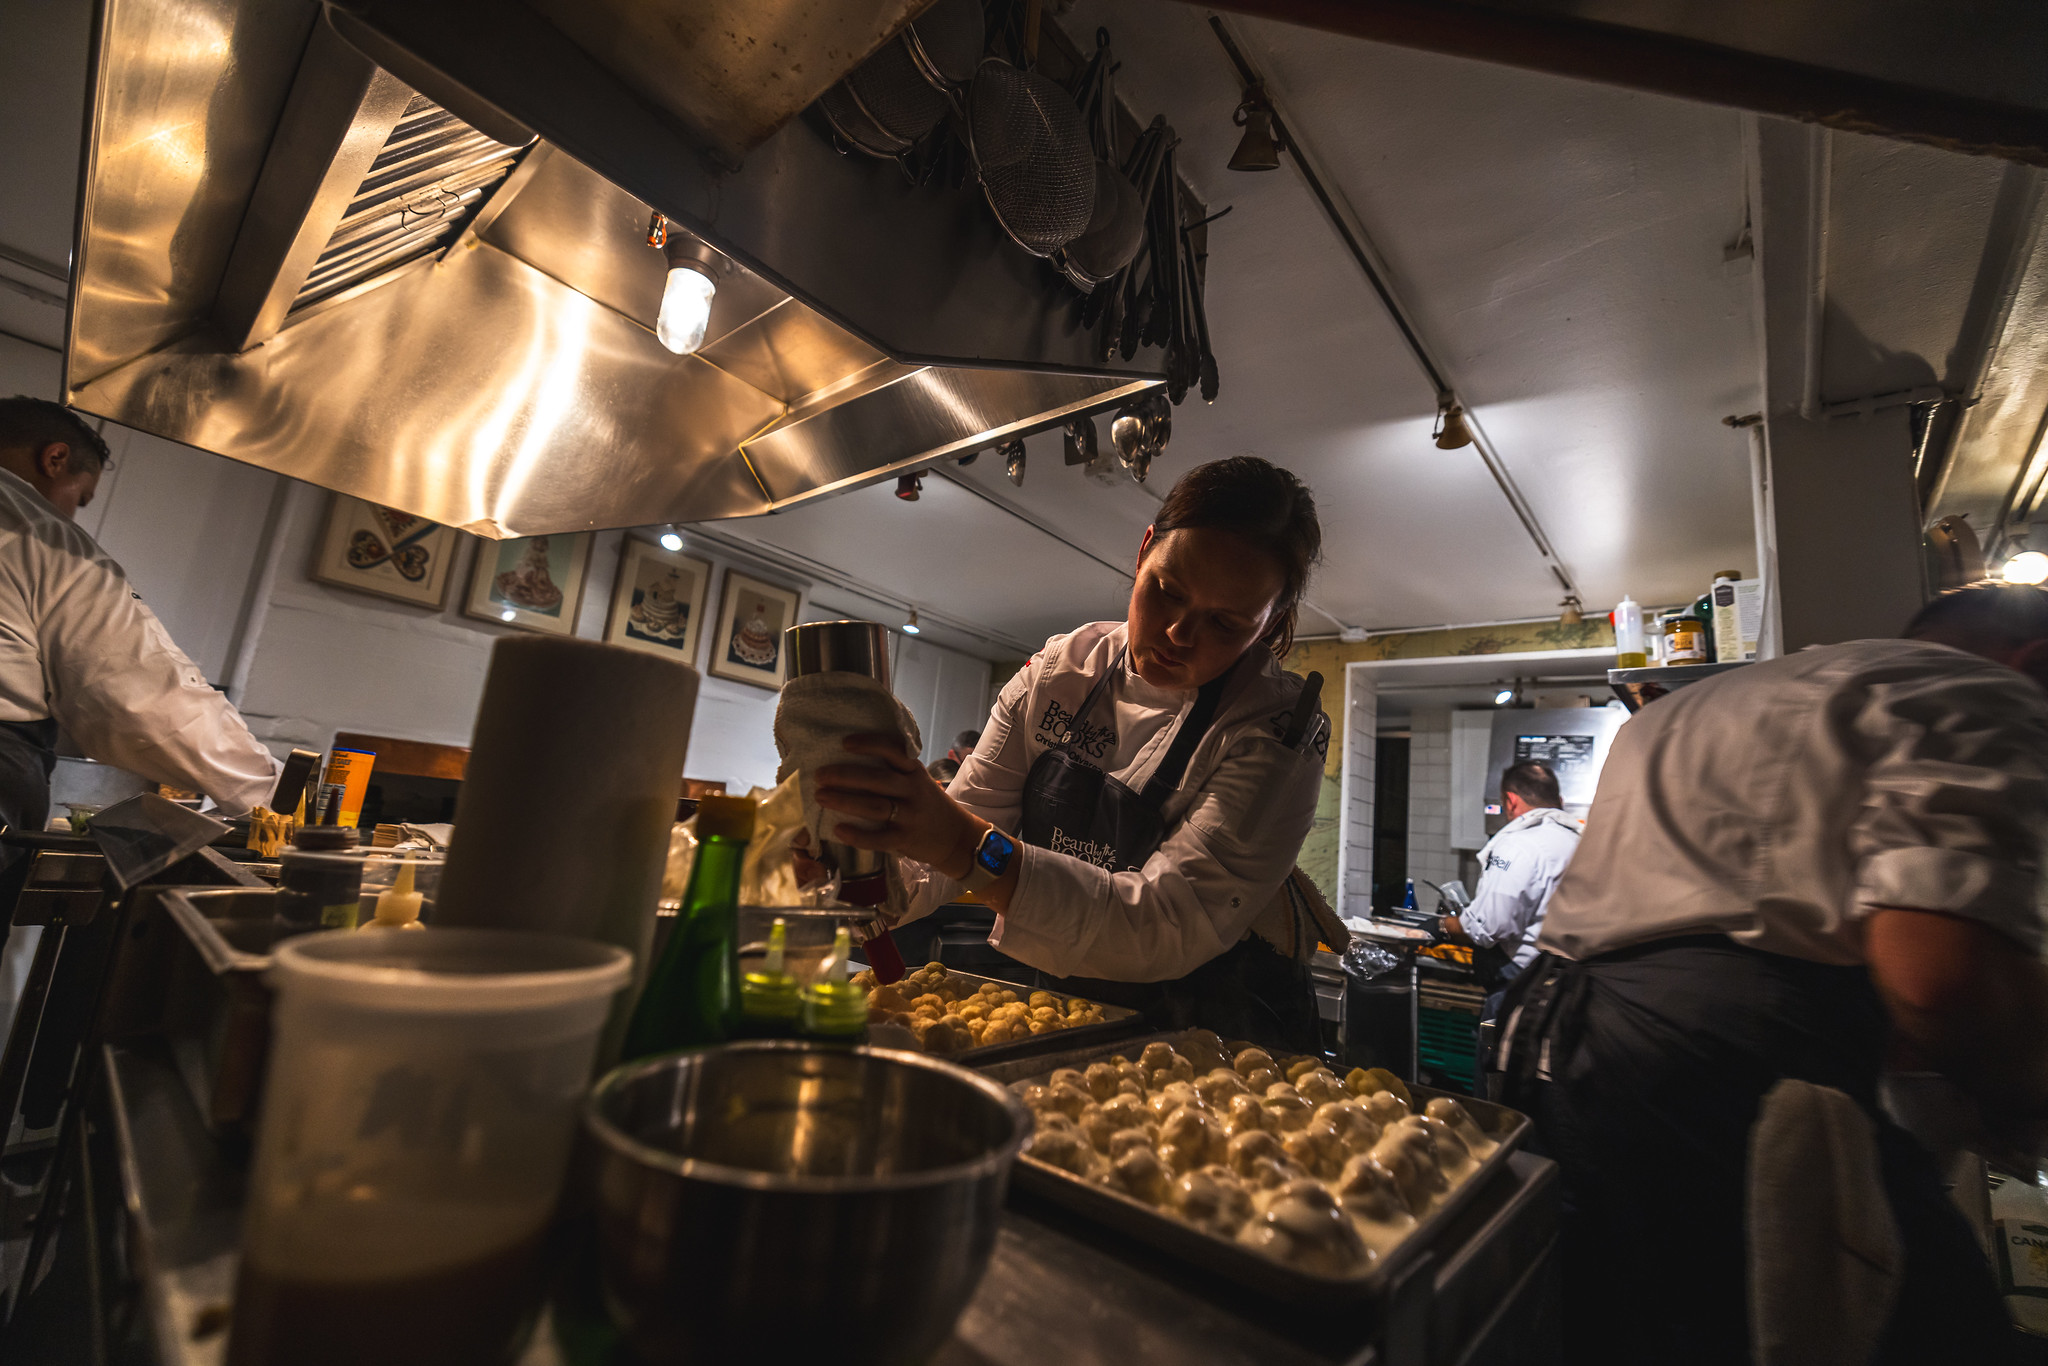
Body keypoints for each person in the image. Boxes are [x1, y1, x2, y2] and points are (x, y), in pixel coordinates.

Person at [1500, 581, 2048, 1365]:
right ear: (2037, 662)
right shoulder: (1976, 688)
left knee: (1616, 1319)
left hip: (1558, 1039)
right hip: (1710, 1057)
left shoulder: (1693, 707)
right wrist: (2026, 1092)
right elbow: (1942, 976)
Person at [815, 457, 1338, 1049]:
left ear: (1269, 625)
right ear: (1144, 550)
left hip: (1222, 1027)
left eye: (1225, 624)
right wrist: (854, 879)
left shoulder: (1273, 731)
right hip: (1077, 1003)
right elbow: (948, 842)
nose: (1178, 635)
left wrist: (964, 844)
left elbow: (1168, 919)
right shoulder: (1058, 675)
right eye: (1166, 592)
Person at [0, 398, 279, 832]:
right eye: (82, 498)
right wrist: (272, 795)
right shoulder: (37, 534)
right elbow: (137, 698)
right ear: (55, 459)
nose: (73, 514)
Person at [1438, 759, 1578, 1018]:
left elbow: (1487, 926)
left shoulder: (1518, 845)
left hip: (1521, 988)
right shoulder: (1582, 842)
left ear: (1511, 801)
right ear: (1559, 800)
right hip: (1571, 987)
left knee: (1502, 1056)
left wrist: (1442, 926)